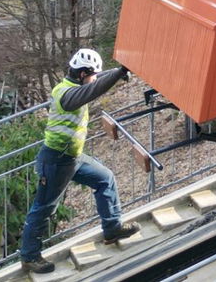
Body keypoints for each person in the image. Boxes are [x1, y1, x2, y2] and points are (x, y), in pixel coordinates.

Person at [19, 48, 137, 274]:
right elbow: (94, 89)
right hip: (56, 160)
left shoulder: (76, 84)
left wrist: (118, 72)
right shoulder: (67, 95)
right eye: (92, 74)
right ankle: (30, 257)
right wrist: (119, 71)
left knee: (105, 179)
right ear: (83, 74)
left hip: (73, 158)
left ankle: (112, 230)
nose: (94, 78)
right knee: (44, 208)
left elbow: (97, 80)